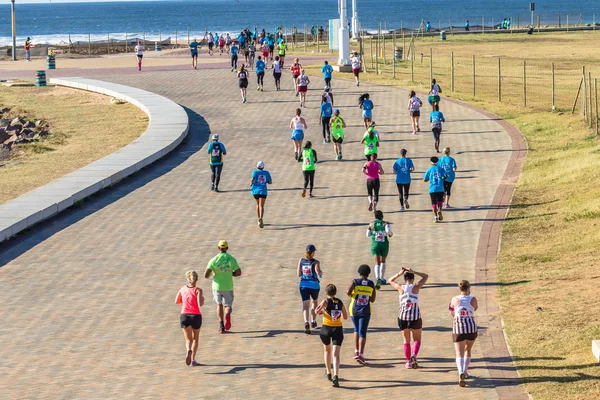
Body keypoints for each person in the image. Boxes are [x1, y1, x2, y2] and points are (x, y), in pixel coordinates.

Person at [389, 268, 429, 369]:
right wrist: (414, 271)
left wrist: (399, 273)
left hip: (403, 317)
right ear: (412, 278)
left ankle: (408, 362)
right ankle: (414, 355)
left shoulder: (400, 287)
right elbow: (425, 276)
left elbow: (390, 280)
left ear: (405, 278)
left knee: (406, 340)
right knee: (417, 339)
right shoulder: (416, 287)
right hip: (415, 317)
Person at [204, 240, 241, 334]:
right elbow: (238, 272)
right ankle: (227, 314)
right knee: (227, 305)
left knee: (219, 304)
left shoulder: (213, 259)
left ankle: (221, 326)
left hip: (217, 286)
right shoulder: (231, 259)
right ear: (227, 248)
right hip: (228, 286)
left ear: (218, 248)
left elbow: (206, 275)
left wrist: (213, 273)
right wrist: (230, 273)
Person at [315, 284, 348, 387]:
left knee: (327, 350)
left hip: (326, 328)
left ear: (326, 293)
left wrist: (323, 311)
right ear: (335, 292)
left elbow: (316, 311)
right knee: (336, 354)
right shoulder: (340, 302)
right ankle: (336, 375)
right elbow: (345, 317)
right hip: (337, 329)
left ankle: (328, 372)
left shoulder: (325, 301)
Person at [449, 280, 479, 387]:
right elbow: (475, 308)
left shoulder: (455, 299)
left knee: (459, 353)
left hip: (459, 328)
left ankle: (460, 372)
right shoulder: (473, 299)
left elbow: (451, 311)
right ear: (468, 288)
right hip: (471, 328)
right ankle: (465, 372)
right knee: (468, 349)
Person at [347, 264, 376, 365]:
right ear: (368, 274)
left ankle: (356, 350)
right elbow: (372, 299)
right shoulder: (371, 284)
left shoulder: (355, 282)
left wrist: (354, 294)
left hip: (353, 309)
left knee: (356, 329)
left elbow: (348, 292)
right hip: (365, 310)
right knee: (362, 332)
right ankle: (361, 354)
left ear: (359, 272)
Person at [175, 270, 205, 366]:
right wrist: (202, 299)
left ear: (188, 279)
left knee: (188, 340)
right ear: (197, 279)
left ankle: (188, 351)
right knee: (195, 339)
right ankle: (193, 360)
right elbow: (200, 303)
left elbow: (177, 301)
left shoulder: (182, 289)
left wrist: (185, 302)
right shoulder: (198, 290)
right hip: (195, 315)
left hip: (184, 315)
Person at [298, 244, 322, 334]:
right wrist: (320, 273)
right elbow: (318, 272)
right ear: (313, 253)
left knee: (305, 305)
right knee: (314, 302)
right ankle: (313, 320)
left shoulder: (301, 261)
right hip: (314, 285)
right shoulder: (316, 262)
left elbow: (299, 274)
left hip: (303, 285)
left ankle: (306, 322)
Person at [367, 210, 393, 289]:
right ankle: (382, 278)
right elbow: (389, 232)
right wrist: (390, 234)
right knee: (383, 261)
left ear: (375, 217)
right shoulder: (385, 223)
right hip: (384, 244)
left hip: (375, 245)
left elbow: (367, 235)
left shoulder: (372, 224)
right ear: (382, 216)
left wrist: (371, 231)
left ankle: (377, 278)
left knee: (377, 263)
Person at [423, 156, 447, 223]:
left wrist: (428, 179)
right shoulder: (441, 169)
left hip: (432, 188)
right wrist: (443, 178)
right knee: (440, 201)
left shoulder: (429, 170)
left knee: (434, 203)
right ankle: (439, 210)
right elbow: (445, 176)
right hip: (440, 187)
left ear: (431, 162)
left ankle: (435, 217)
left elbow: (424, 179)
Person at [250, 161, 272, 228]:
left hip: (255, 191)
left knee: (257, 204)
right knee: (261, 206)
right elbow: (270, 182)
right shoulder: (266, 173)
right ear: (263, 167)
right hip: (263, 191)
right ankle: (261, 217)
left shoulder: (255, 172)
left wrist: (251, 184)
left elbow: (252, 180)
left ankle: (258, 219)